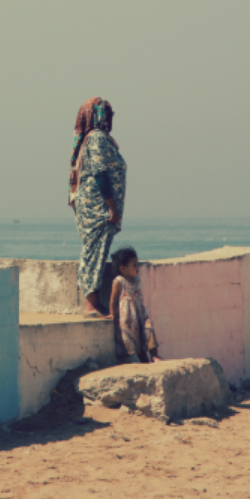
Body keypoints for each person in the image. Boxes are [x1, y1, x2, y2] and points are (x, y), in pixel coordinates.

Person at [71, 97, 127, 314]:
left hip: (96, 206)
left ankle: (93, 303)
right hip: (97, 208)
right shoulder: (96, 138)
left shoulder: (96, 139)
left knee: (95, 250)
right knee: (94, 251)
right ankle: (91, 304)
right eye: (107, 113)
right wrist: (112, 208)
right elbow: (100, 173)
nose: (110, 117)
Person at [109, 247, 161, 364]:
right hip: (128, 316)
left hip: (140, 313)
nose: (137, 268)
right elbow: (113, 299)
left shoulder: (136, 280)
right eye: (134, 265)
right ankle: (144, 361)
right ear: (122, 268)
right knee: (135, 340)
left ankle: (155, 356)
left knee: (149, 330)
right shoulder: (119, 281)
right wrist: (112, 314)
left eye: (137, 264)